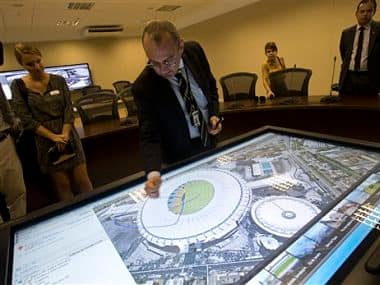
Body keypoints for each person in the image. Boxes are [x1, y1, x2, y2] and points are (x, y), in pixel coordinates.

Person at [132, 20, 223, 198]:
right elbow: (149, 135)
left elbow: (210, 85)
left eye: (168, 61)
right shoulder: (143, 86)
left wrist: (214, 115)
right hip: (179, 156)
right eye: (154, 62)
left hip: (210, 143)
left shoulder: (195, 51)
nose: (162, 69)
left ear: (180, 46)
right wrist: (153, 173)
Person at [11, 43, 93, 201]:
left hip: (68, 135)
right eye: (30, 64)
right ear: (21, 65)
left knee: (83, 180)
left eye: (38, 61)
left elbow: (69, 109)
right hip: (44, 140)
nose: (37, 67)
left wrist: (64, 134)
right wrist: (53, 137)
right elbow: (26, 119)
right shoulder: (18, 86)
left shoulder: (59, 80)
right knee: (63, 184)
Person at [338, 0, 380, 96]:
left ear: (374, 12)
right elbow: (344, 54)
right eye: (362, 11)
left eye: (369, 11)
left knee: (368, 109)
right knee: (346, 108)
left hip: (370, 79)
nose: (365, 14)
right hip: (349, 78)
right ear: (356, 14)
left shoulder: (378, 30)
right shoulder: (347, 33)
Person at [0, 86, 26, 222]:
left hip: (3, 142)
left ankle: (20, 232)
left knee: (17, 194)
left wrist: (15, 126)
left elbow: (5, 108)